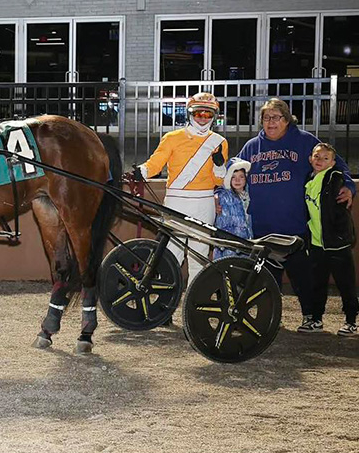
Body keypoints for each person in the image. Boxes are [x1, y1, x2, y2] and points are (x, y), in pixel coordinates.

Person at [237, 98, 355, 333]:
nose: (271, 122)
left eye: (276, 117)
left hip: (296, 226)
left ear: (287, 119)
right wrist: (222, 196)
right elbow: (234, 174)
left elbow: (337, 163)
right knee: (267, 278)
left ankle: (310, 317)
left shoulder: (304, 141)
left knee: (303, 276)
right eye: (266, 118)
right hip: (262, 227)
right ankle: (272, 317)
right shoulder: (251, 147)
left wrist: (349, 187)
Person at [129, 92, 228, 282]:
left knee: (199, 254)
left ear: (214, 116)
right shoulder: (172, 138)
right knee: (172, 252)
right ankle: (167, 294)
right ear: (190, 114)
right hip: (176, 202)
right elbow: (156, 163)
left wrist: (219, 165)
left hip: (204, 203)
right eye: (198, 113)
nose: (202, 118)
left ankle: (195, 297)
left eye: (207, 114)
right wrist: (141, 171)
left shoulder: (220, 142)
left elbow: (218, 181)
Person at [304, 143, 358, 338]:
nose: (320, 160)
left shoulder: (334, 177)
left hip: (337, 242)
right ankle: (316, 319)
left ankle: (351, 321)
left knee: (346, 284)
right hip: (317, 243)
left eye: (326, 158)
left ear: (333, 163)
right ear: (310, 159)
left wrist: (349, 187)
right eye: (317, 157)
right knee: (317, 284)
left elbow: (342, 182)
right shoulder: (309, 179)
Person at [213, 157, 252, 260]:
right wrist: (215, 200)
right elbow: (218, 192)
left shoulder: (248, 195)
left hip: (245, 242)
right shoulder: (225, 195)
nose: (237, 180)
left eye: (241, 177)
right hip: (228, 243)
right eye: (233, 177)